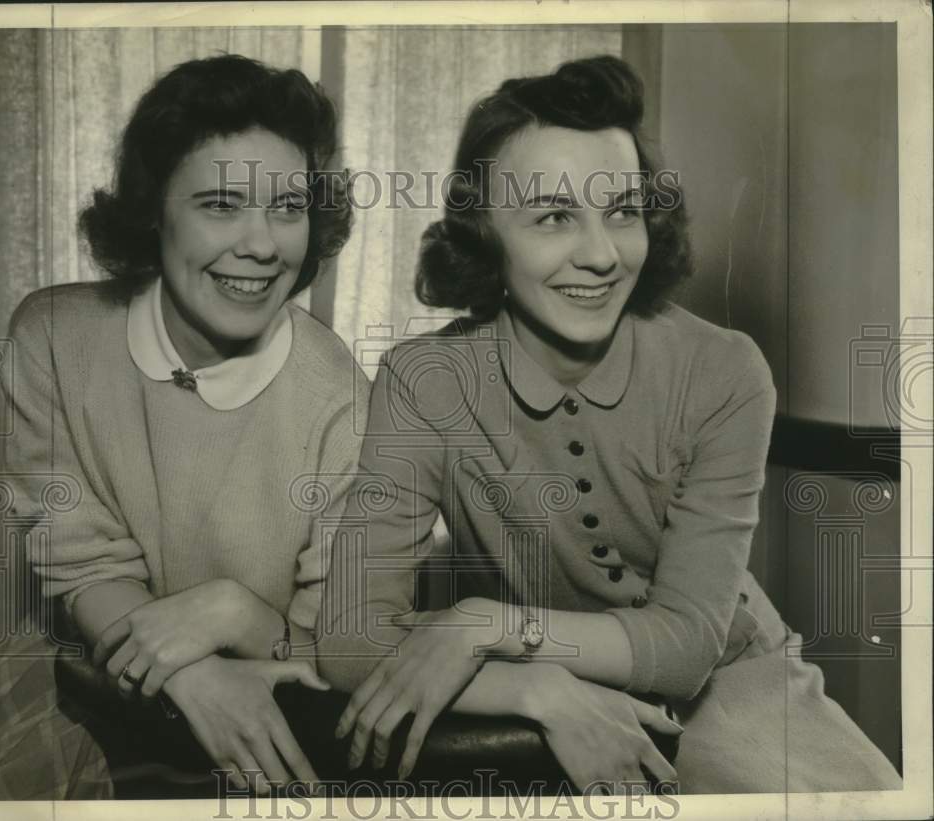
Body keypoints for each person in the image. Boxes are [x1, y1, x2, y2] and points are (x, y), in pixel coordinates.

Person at [316, 55, 902, 794]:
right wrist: (533, 688)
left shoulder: (724, 369)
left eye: (622, 211)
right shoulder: (422, 379)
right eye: (554, 216)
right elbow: (348, 637)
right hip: (523, 685)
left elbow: (688, 646)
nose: (600, 255)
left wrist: (480, 626)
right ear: (484, 234)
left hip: (729, 680)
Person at [0, 54, 365, 800]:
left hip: (272, 725)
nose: (263, 245)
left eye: (287, 207)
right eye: (219, 204)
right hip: (89, 698)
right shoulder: (52, 334)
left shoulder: (341, 394)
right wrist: (193, 672)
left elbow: (324, 657)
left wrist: (237, 611)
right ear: (153, 209)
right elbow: (83, 568)